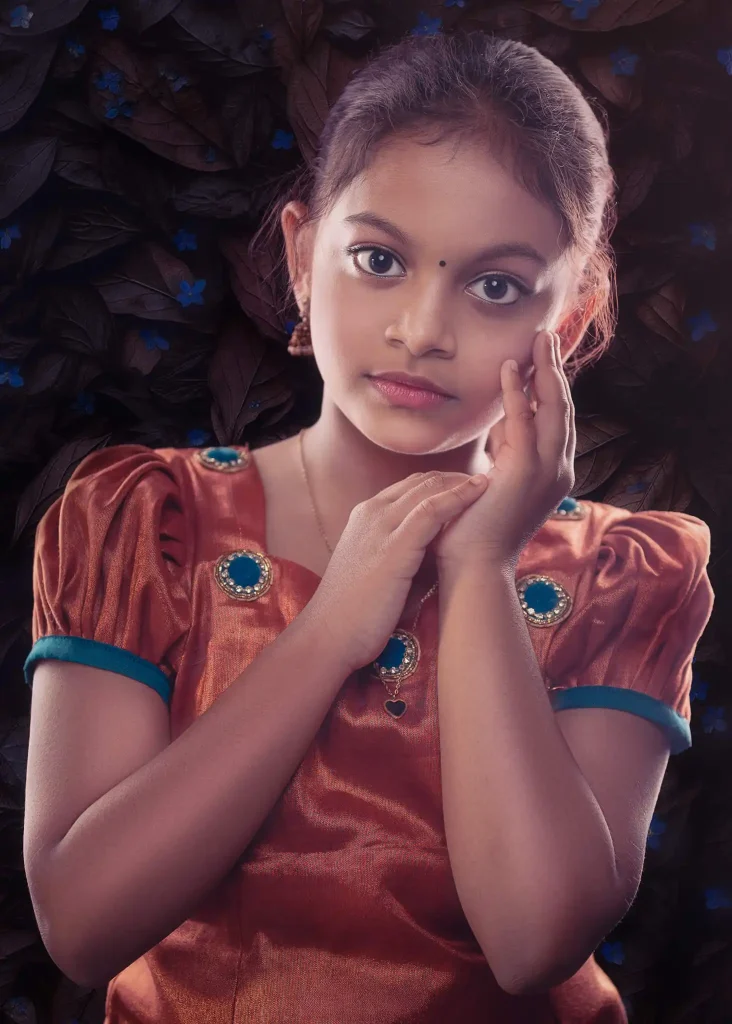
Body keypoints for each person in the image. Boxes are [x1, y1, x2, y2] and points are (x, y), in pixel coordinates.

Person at [22, 30, 714, 1024]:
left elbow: (531, 943)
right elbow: (82, 927)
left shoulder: (620, 574)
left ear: (571, 318)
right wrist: (333, 623)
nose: (423, 328)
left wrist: (478, 566)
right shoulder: (147, 522)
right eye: (378, 259)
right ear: (303, 257)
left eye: (498, 285)